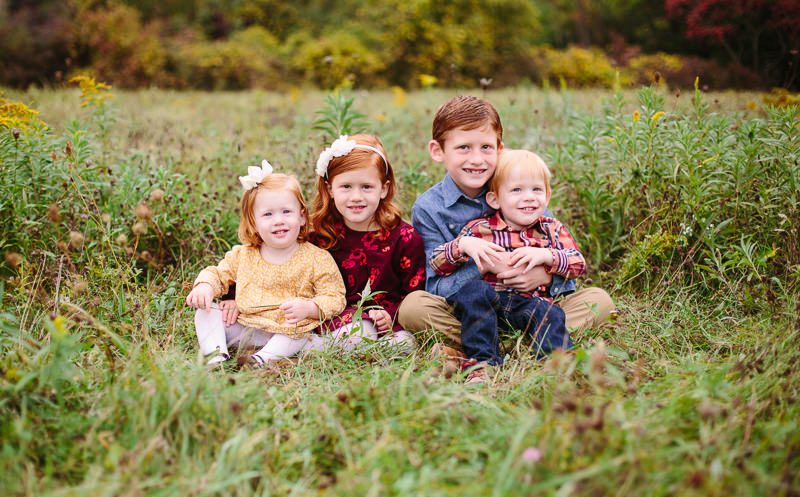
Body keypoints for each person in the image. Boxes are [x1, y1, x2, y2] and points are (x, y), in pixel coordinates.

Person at [397, 95, 615, 371]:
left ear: (500, 148)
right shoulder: (429, 208)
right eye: (463, 147)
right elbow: (434, 287)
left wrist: (544, 274)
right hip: (469, 310)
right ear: (438, 151)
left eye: (486, 147)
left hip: (532, 305)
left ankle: (483, 347)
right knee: (413, 307)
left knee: (600, 301)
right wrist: (480, 263)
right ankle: (525, 344)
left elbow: (563, 260)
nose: (476, 159)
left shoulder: (521, 187)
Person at [432, 149, 583, 384]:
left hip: (530, 306)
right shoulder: (480, 229)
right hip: (488, 306)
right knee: (473, 292)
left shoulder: (552, 229)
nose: (529, 197)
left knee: (552, 311)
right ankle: (484, 364)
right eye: (516, 190)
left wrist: (546, 256)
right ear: (494, 199)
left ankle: (556, 363)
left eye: (537, 190)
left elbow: (578, 264)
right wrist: (462, 245)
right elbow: (437, 264)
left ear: (548, 196)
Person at [186, 161, 346, 367]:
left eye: (286, 212)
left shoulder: (317, 258)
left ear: (303, 216)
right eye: (268, 214)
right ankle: (215, 356)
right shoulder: (244, 254)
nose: (278, 220)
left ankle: (261, 359)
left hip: (288, 330)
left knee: (297, 333)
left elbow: (335, 296)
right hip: (246, 328)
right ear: (253, 222)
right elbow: (218, 274)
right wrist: (206, 286)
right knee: (206, 313)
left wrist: (309, 308)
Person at [308, 134, 426, 352]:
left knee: (405, 344)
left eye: (366, 187)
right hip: (336, 321)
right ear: (330, 189)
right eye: (346, 187)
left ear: (383, 188)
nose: (356, 197)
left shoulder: (405, 238)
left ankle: (326, 349)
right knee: (361, 332)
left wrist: (390, 316)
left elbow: (413, 295)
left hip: (387, 324)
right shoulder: (321, 237)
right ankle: (318, 347)